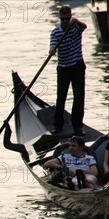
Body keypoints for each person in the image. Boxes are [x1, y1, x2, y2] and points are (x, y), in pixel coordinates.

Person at [49, 6, 87, 136]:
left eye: (67, 19)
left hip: (77, 65)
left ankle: (77, 125)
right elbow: (52, 47)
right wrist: (52, 50)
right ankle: (57, 125)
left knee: (79, 96)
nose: (65, 21)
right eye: (63, 19)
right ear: (60, 18)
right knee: (61, 97)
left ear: (70, 17)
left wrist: (76, 22)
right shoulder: (55, 33)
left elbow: (84, 26)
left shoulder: (75, 29)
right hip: (63, 68)